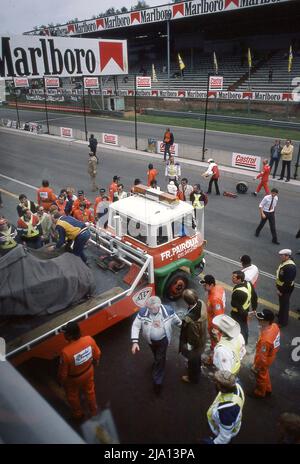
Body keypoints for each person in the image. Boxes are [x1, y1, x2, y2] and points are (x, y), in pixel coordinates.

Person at [131, 296, 182, 395]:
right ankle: (158, 362)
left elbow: (177, 321)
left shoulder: (168, 311)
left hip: (163, 341)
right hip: (150, 341)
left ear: (160, 305)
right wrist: (135, 342)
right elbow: (136, 326)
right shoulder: (143, 312)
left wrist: (184, 326)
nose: (153, 310)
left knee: (160, 358)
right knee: (156, 355)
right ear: (147, 307)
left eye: (156, 307)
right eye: (151, 308)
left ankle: (157, 382)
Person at [58, 321, 101, 420]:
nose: (64, 335)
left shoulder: (65, 352)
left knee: (72, 396)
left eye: (65, 333)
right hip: (88, 371)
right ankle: (94, 411)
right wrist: (96, 362)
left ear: (69, 336)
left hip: (73, 379)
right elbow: (97, 354)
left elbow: (63, 373)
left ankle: (78, 414)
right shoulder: (89, 340)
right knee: (90, 391)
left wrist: (61, 382)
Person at [204, 370, 245, 445]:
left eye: (217, 383)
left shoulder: (226, 412)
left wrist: (214, 442)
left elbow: (225, 437)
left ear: (223, 389)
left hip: (219, 430)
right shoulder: (238, 386)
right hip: (232, 422)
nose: (215, 383)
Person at [179, 289, 207, 384]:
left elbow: (193, 339)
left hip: (195, 344)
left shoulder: (190, 320)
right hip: (202, 336)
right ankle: (198, 365)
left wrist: (188, 348)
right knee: (197, 357)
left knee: (192, 361)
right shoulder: (201, 303)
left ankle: (192, 378)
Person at [251, 309, 280, 398]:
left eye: (261, 319)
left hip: (265, 359)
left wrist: (256, 367)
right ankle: (267, 388)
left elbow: (261, 358)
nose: (259, 320)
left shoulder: (265, 340)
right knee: (265, 372)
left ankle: (260, 392)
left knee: (260, 376)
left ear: (267, 321)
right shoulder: (274, 326)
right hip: (271, 355)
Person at [231, 270, 258, 345]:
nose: (232, 278)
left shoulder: (238, 292)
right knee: (244, 326)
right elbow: (254, 297)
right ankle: (245, 341)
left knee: (239, 326)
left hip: (238, 313)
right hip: (246, 308)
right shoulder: (248, 283)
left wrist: (247, 314)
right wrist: (254, 309)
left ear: (239, 279)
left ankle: (239, 342)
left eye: (234, 278)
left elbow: (235, 305)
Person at [200, 275, 225, 352]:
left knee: (215, 341)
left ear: (211, 285)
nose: (203, 287)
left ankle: (213, 355)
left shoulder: (215, 299)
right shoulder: (218, 287)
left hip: (214, 324)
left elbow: (218, 315)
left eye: (205, 285)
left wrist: (215, 330)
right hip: (212, 317)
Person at [276, 249, 297, 327]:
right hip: (281, 287)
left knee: (285, 305)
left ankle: (283, 322)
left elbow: (288, 282)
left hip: (285, 289)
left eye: (282, 255)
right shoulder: (286, 262)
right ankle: (280, 315)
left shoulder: (290, 267)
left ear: (287, 256)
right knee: (282, 303)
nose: (280, 257)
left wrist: (281, 291)